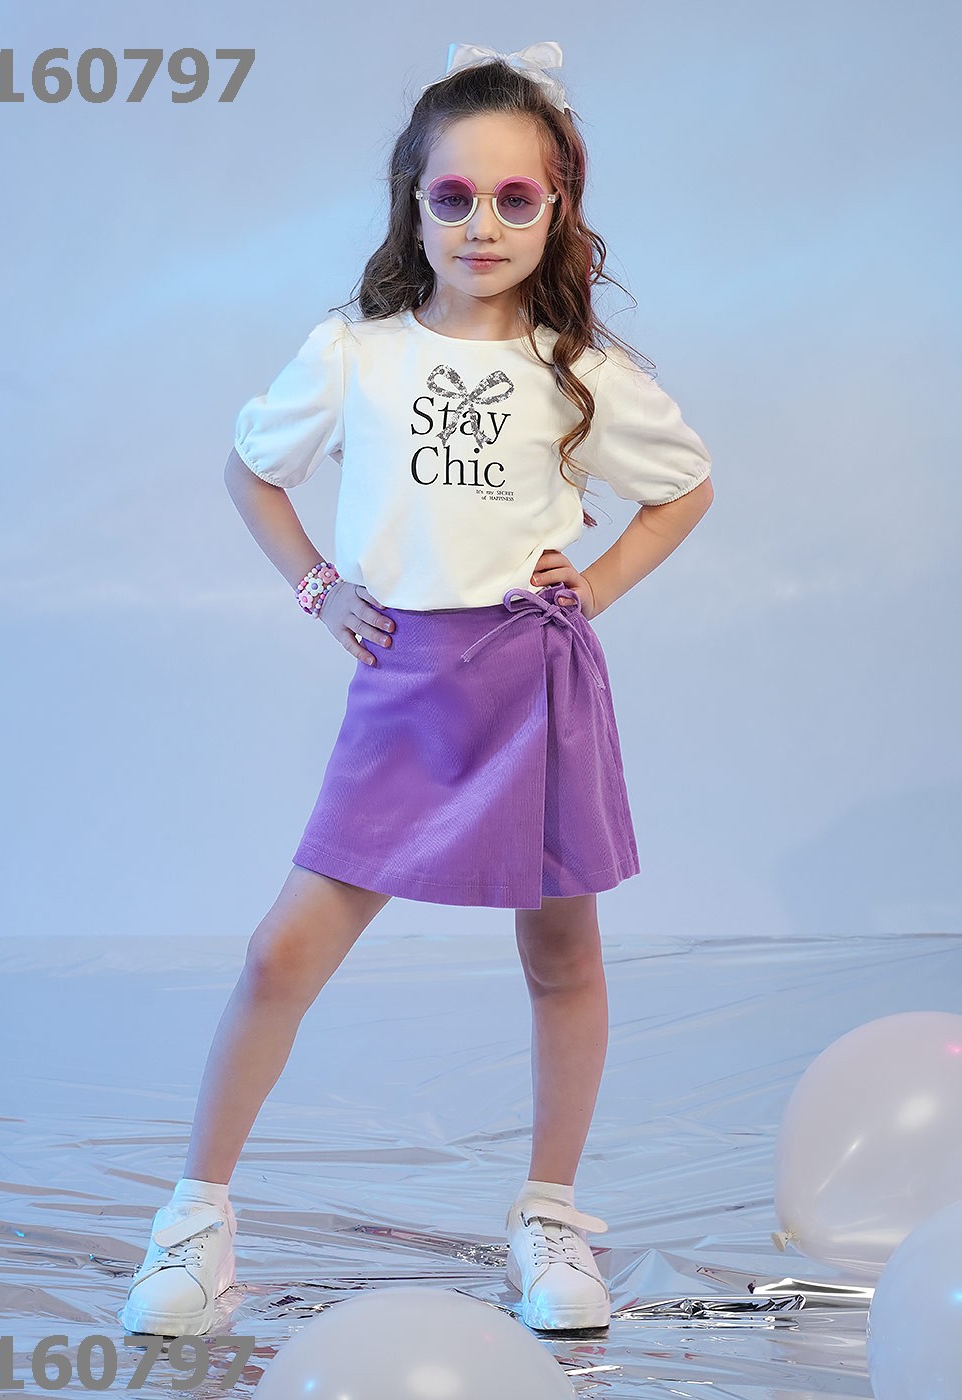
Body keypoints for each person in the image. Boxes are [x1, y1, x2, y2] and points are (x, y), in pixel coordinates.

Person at [122, 39, 713, 1339]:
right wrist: (317, 586)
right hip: (408, 690)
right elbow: (251, 470)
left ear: (556, 206)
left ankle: (549, 1213)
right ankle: (196, 1219)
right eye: (454, 196)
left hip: (534, 684)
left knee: (561, 954)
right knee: (282, 951)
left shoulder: (576, 367)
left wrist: (596, 585)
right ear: (414, 201)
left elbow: (687, 486)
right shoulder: (357, 351)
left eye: (515, 197)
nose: (482, 223)